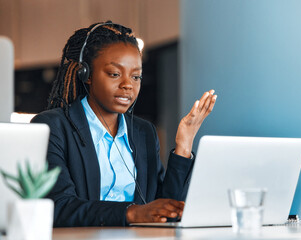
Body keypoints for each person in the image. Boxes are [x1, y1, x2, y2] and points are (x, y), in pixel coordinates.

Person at [31, 21, 217, 227]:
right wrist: (132, 213)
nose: (128, 85)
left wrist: (184, 144)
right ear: (87, 74)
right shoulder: (53, 127)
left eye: (136, 76)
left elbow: (163, 208)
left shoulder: (143, 132)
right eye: (114, 74)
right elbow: (59, 207)